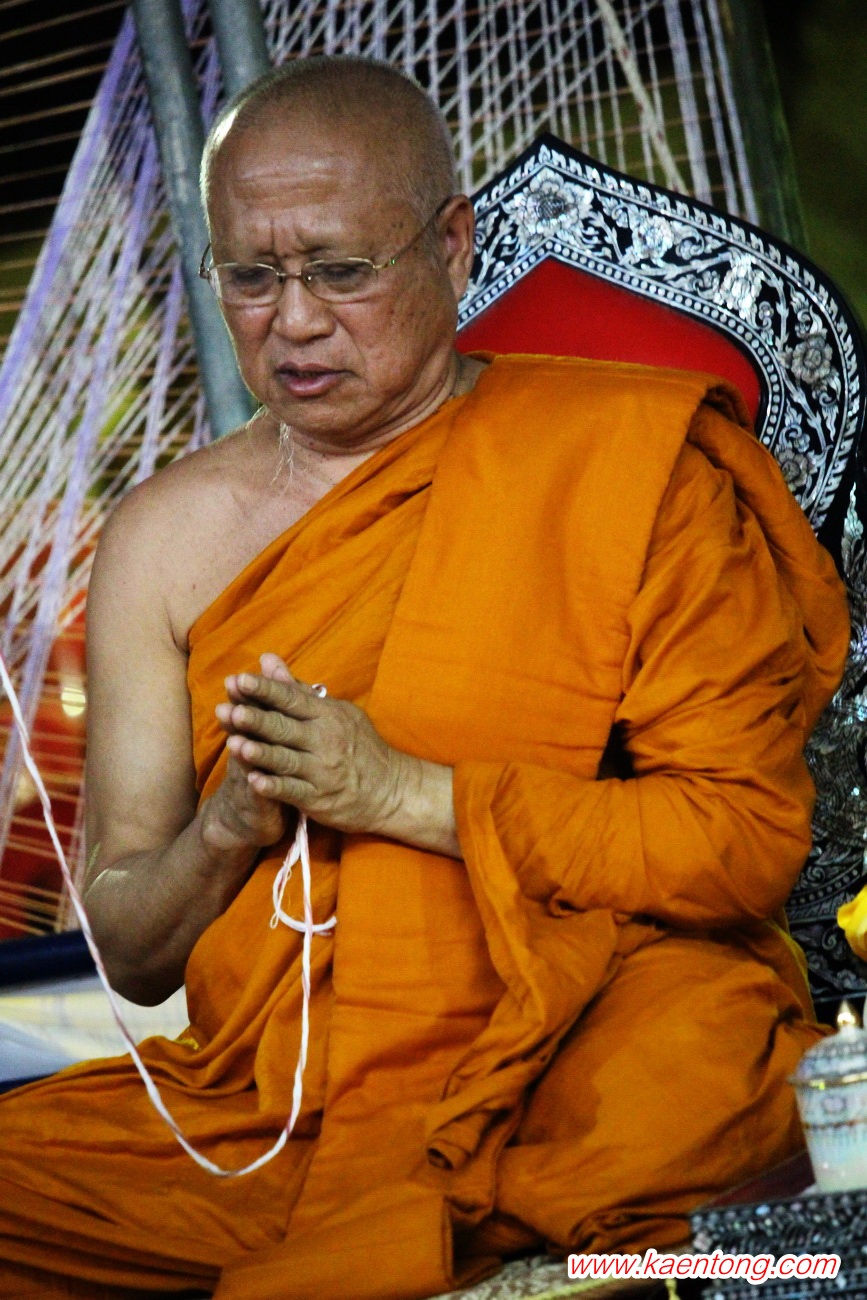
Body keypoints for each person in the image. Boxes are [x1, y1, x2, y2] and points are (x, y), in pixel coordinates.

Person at [0, 55, 850, 1300]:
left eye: (341, 271)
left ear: (452, 247)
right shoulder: (161, 542)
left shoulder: (628, 465)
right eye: (251, 277)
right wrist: (226, 827)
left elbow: (741, 842)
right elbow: (130, 948)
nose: (294, 322)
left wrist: (400, 791)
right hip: (271, 1110)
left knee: (706, 1133)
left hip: (576, 1052)